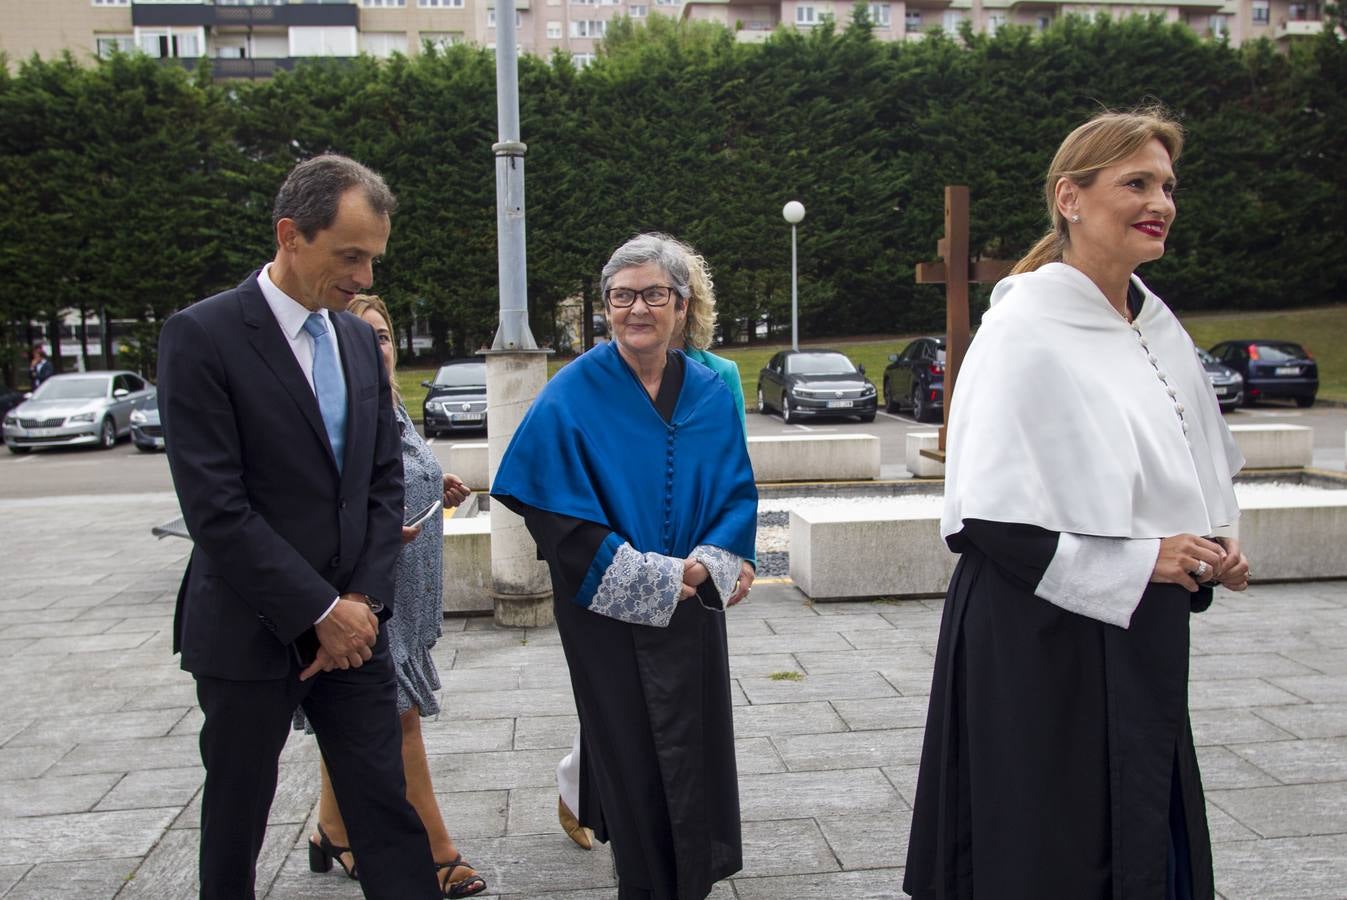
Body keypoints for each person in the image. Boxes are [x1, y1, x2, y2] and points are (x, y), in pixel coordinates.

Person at [903, 108, 1251, 900]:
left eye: (1166, 184)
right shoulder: (1024, 326)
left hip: (1135, 630)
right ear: (1070, 197)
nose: (1159, 200)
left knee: (1134, 825)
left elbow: (1171, 475)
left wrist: (1202, 548)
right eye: (1135, 182)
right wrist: (1140, 559)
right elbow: (989, 514)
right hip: (1037, 637)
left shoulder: (1151, 324)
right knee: (1048, 843)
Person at [157, 154, 443, 900]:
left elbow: (383, 483)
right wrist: (317, 611)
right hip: (249, 630)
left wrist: (361, 606)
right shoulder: (201, 336)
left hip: (353, 630)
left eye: (373, 258)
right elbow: (216, 507)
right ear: (290, 234)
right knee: (237, 815)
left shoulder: (354, 340)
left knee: (385, 805)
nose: (365, 279)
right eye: (350, 256)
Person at [492, 232, 757, 899]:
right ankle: (644, 884)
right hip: (605, 614)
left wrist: (709, 567)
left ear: (680, 302)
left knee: (692, 744)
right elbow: (555, 519)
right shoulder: (571, 394)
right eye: (620, 296)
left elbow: (735, 490)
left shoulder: (707, 389)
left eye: (652, 295)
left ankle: (689, 878)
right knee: (631, 754)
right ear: (604, 306)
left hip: (691, 617)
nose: (636, 309)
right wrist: (664, 577)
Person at [300, 294, 485, 898]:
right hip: (367, 595)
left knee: (352, 717)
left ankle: (330, 829)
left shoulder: (392, 404)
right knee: (398, 722)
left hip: (408, 590)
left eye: (383, 336)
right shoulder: (338, 405)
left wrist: (440, 482)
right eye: (363, 334)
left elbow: (403, 475)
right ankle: (437, 852)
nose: (375, 345)